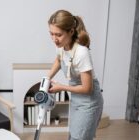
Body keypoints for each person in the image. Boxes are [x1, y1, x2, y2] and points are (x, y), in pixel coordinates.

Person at [47, 10, 104, 140]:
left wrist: (62, 87)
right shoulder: (61, 45)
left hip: (89, 102)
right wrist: (47, 77)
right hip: (76, 100)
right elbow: (58, 59)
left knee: (79, 137)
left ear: (71, 32)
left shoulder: (81, 52)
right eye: (51, 34)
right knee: (73, 135)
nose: (54, 39)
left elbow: (87, 88)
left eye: (58, 35)